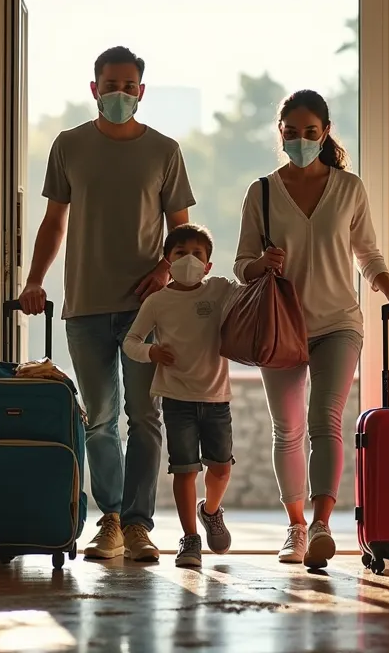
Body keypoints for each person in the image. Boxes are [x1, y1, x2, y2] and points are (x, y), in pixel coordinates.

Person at [19, 46, 196, 562]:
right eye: (110, 84)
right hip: (88, 306)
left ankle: (140, 525)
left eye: (128, 85)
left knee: (144, 417)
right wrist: (35, 280)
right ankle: (111, 521)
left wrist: (166, 269)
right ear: (93, 88)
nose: (119, 93)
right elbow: (55, 222)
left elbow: (181, 228)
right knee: (100, 419)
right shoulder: (69, 145)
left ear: (141, 91)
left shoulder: (164, 150)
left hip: (148, 308)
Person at [234, 89, 389, 569]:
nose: (300, 141)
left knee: (326, 420)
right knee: (287, 429)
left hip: (338, 321)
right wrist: (261, 264)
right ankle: (294, 528)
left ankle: (320, 524)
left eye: (309, 133)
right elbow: (240, 266)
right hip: (282, 325)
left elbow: (368, 254)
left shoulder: (349, 188)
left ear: (325, 132)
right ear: (281, 135)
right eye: (291, 133)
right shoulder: (263, 192)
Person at [122, 224, 239, 567]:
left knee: (220, 468)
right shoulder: (157, 302)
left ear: (208, 265)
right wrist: (151, 353)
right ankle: (190, 538)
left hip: (217, 398)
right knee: (185, 469)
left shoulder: (219, 290)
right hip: (176, 400)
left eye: (197, 254)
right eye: (180, 253)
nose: (189, 259)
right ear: (167, 261)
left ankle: (211, 511)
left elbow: (250, 294)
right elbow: (131, 342)